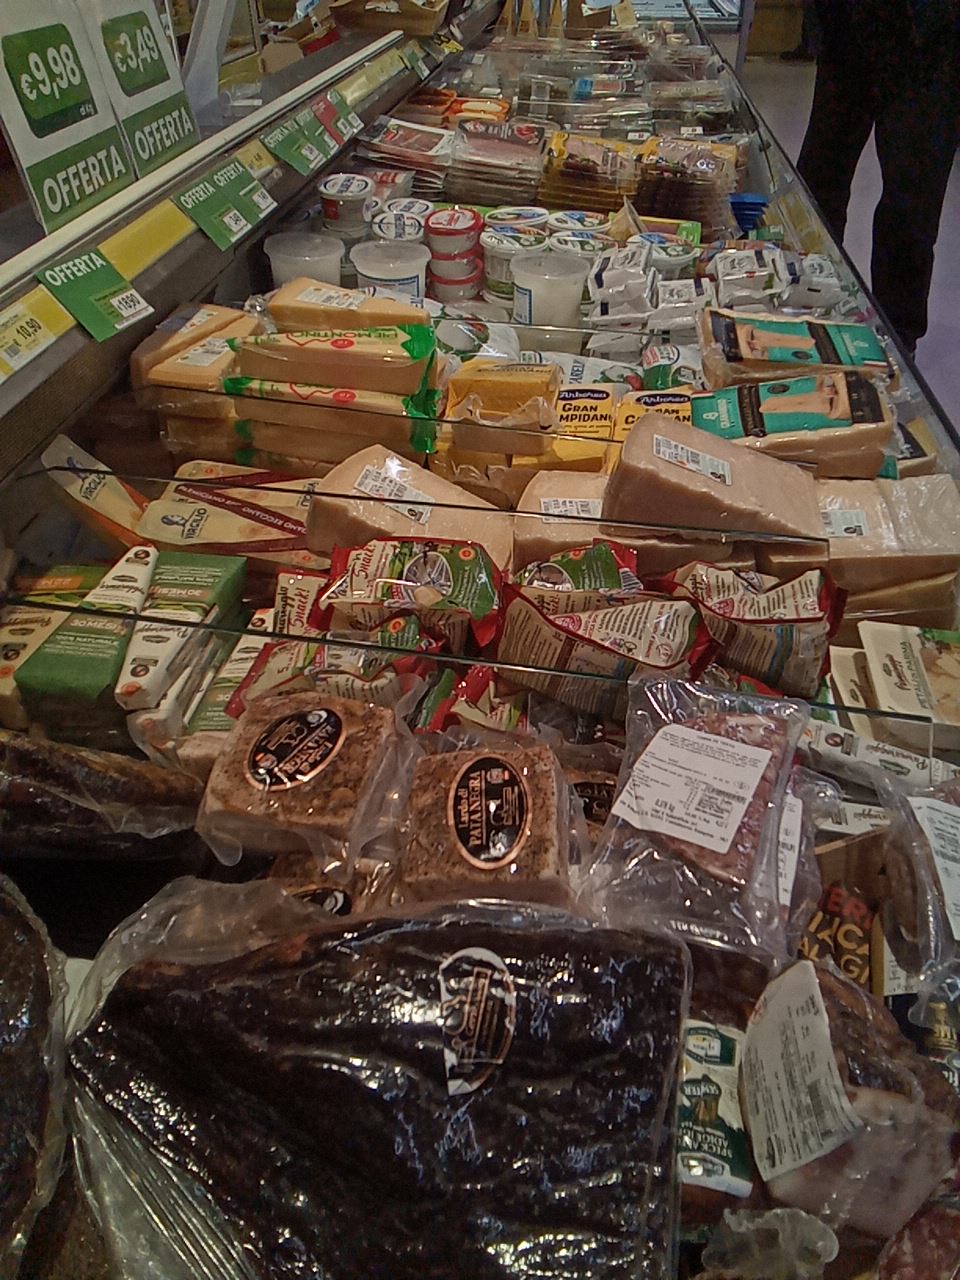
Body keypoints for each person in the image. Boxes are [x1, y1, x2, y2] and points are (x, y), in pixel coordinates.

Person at [796, 0, 960, 356]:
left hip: (930, 45)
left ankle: (897, 343)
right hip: (847, 29)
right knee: (818, 183)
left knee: (911, 204)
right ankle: (804, 302)